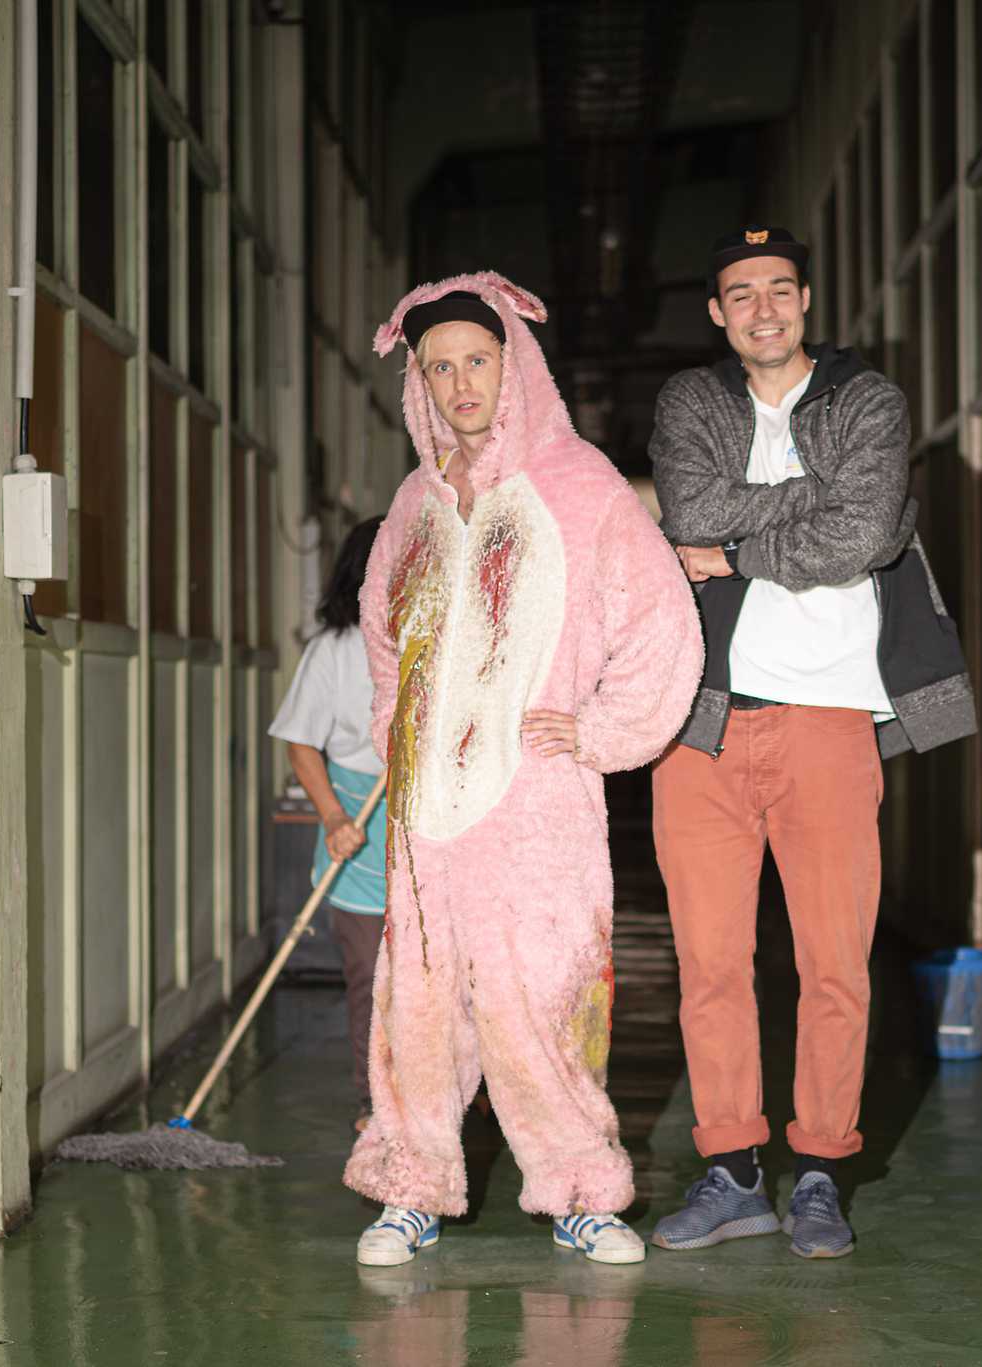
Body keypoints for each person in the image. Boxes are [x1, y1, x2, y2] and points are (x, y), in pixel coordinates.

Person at [343, 273, 703, 1268]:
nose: (461, 383)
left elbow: (661, 621)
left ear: (516, 366)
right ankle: (411, 1185)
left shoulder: (581, 487)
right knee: (417, 1002)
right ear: (418, 383)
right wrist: (395, 727)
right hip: (428, 810)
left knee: (541, 994)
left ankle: (580, 1191)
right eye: (439, 367)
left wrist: (598, 729)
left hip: (537, 801)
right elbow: (381, 631)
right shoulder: (413, 502)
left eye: (477, 360)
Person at [646, 226, 975, 1260]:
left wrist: (734, 549)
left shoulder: (865, 399)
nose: (762, 309)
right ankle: (733, 1171)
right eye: (740, 293)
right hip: (700, 720)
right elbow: (689, 506)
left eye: (779, 289)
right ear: (717, 312)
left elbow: (869, 530)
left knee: (833, 963)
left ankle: (822, 1172)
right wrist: (818, 503)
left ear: (805, 301)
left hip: (830, 719)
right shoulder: (691, 403)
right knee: (711, 963)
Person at [268, 516, 387, 1136]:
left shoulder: (441, 640)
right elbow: (300, 742)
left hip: (432, 827)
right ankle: (375, 1104)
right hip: (357, 828)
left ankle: (454, 1096)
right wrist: (335, 816)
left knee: (446, 978)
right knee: (371, 975)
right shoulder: (334, 650)